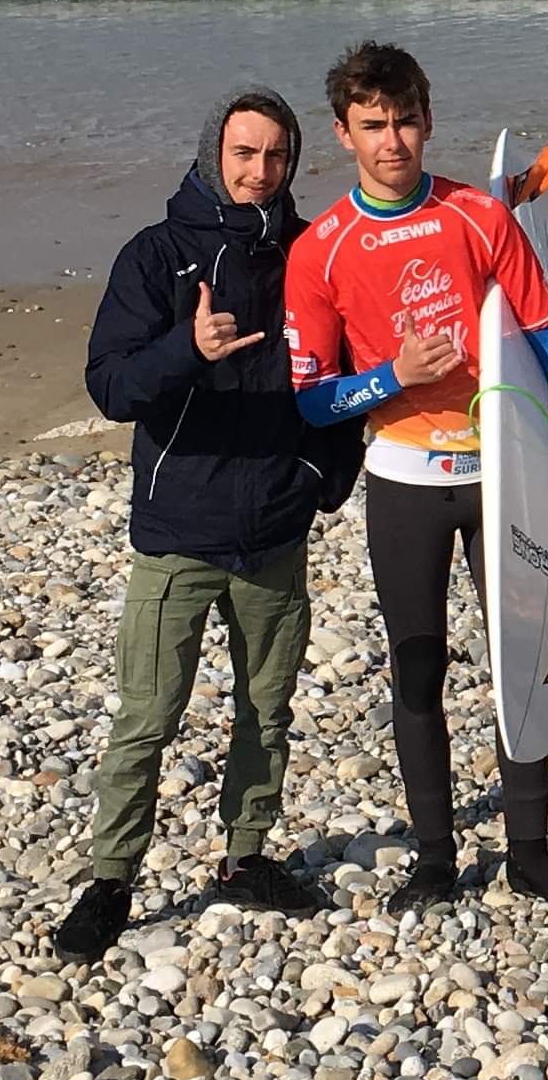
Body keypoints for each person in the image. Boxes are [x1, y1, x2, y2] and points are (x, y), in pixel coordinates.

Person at [283, 41, 548, 911]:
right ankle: (434, 857)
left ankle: (530, 850)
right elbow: (313, 400)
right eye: (372, 126)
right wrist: (395, 374)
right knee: (417, 666)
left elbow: (546, 335)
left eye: (405, 121)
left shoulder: (477, 215)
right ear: (343, 134)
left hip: (505, 466)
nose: (392, 141)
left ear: (427, 120)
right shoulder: (321, 249)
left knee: (523, 652)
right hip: (402, 479)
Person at [48, 89, 364, 962]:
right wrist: (188, 351)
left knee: (267, 710)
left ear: (292, 163)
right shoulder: (155, 257)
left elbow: (345, 384)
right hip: (178, 532)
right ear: (212, 155)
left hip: (275, 527)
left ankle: (245, 857)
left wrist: (318, 481)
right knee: (148, 716)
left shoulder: (311, 255)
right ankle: (111, 881)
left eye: (275, 157)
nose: (259, 171)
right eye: (244, 153)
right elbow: (110, 388)